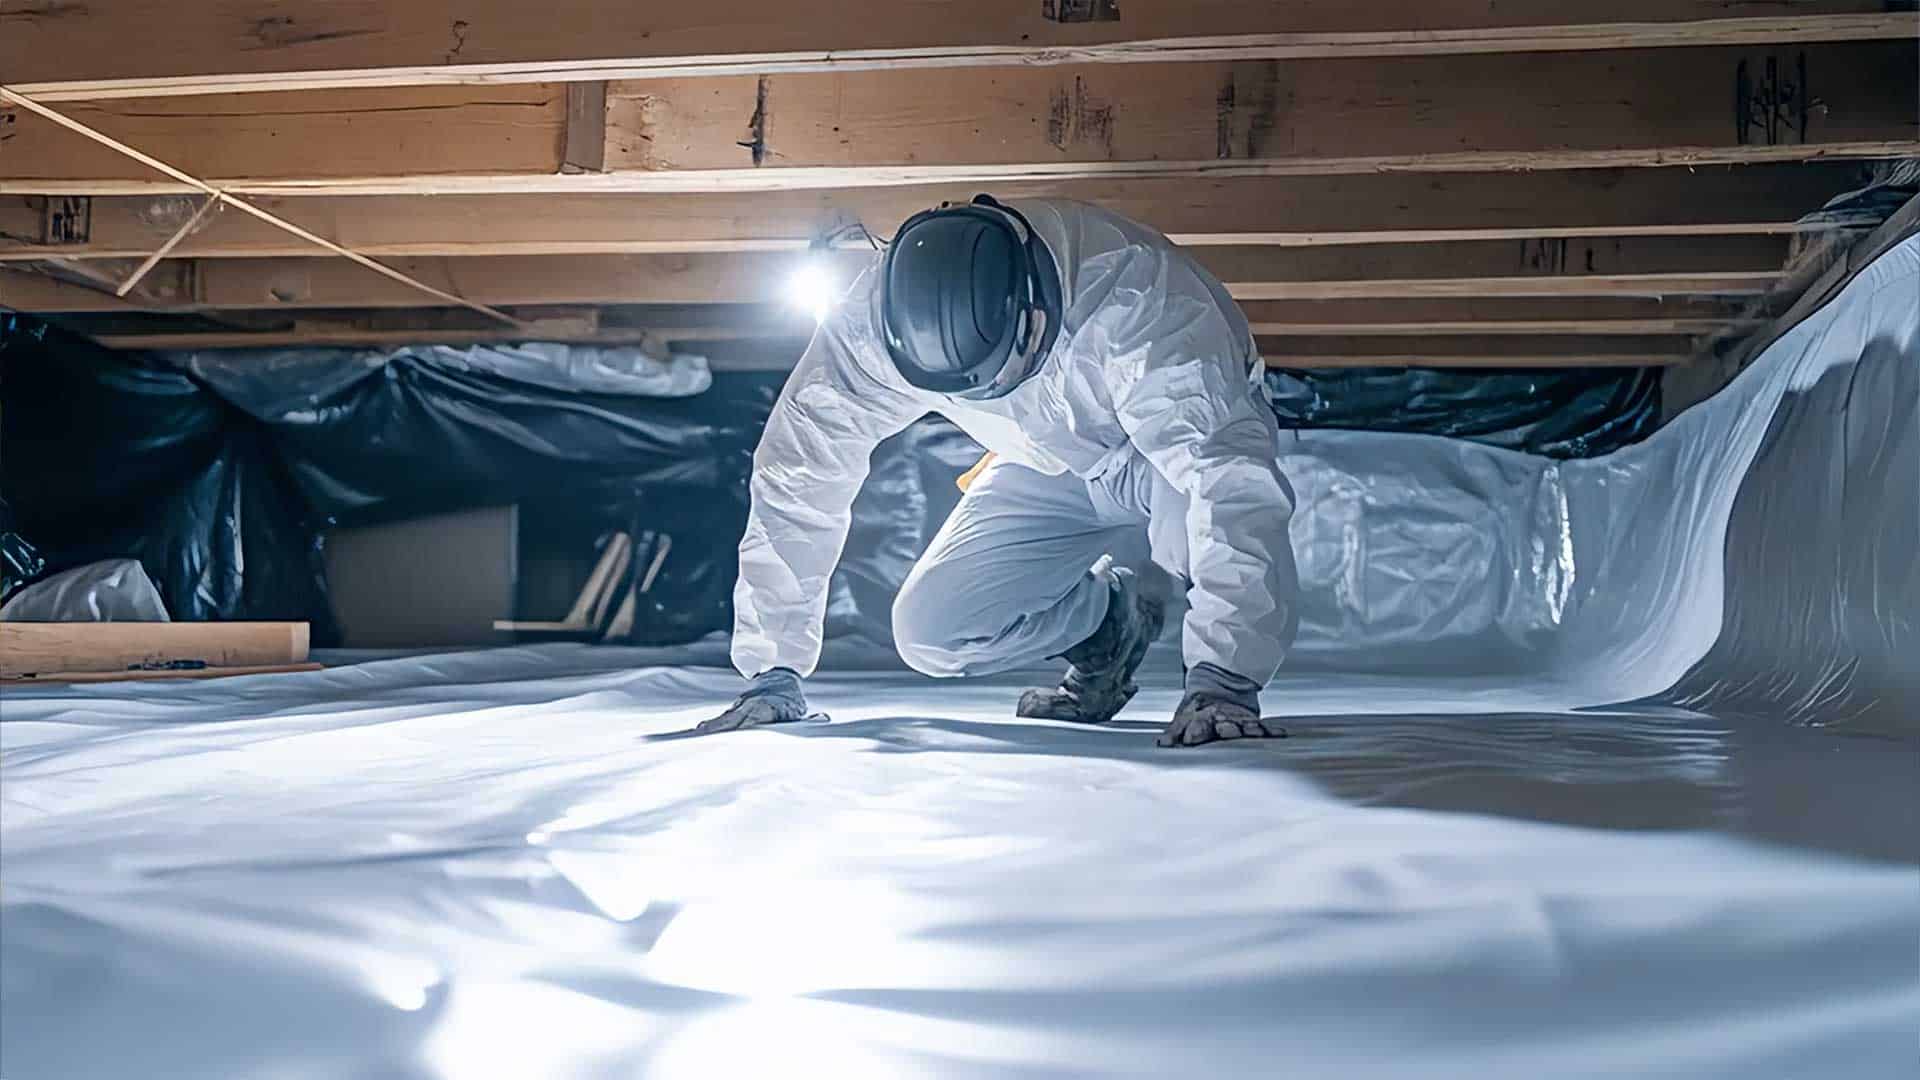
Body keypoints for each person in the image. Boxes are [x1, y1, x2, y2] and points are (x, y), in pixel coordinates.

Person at [698, 196, 1299, 747]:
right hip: (1045, 462)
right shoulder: (869, 326)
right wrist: (771, 670)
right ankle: (1107, 627)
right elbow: (798, 474)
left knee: (1194, 542)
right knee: (931, 632)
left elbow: (1224, 481)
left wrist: (1224, 683)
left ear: (1036, 319)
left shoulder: (1142, 304)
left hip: (1160, 458)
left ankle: (1209, 662)